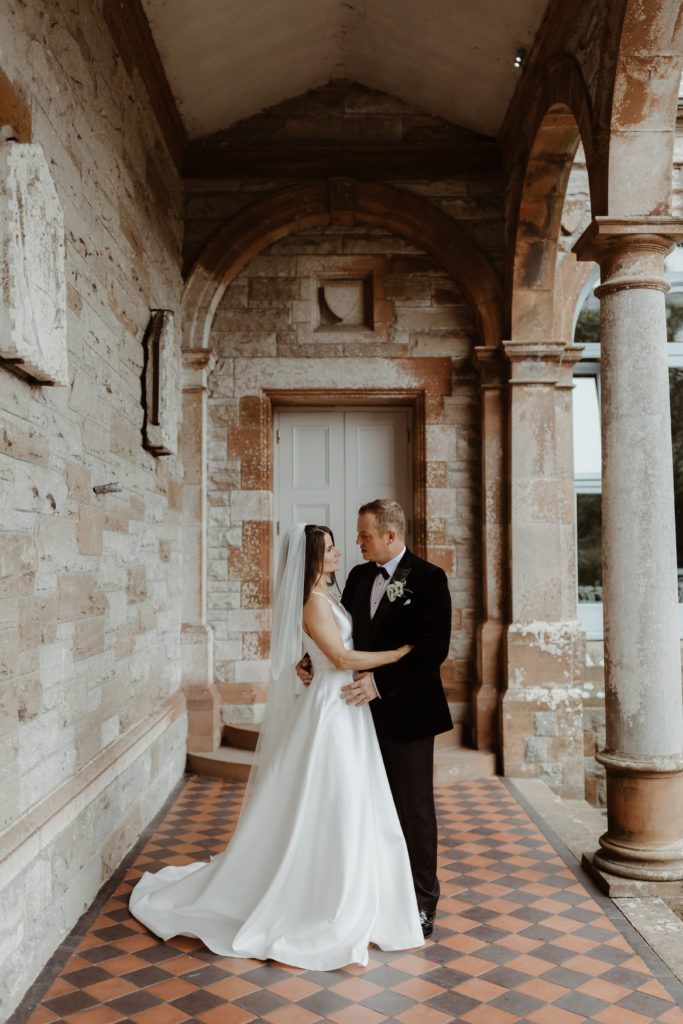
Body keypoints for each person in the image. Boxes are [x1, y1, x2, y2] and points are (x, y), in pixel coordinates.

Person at [128, 522, 423, 969]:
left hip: (345, 706)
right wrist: (398, 655)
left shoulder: (328, 595)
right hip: (331, 707)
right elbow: (341, 659)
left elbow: (330, 651)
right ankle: (320, 897)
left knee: (351, 801)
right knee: (336, 800)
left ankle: (357, 892)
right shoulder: (312, 601)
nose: (340, 552)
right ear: (312, 558)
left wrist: (317, 660)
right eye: (330, 548)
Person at [298, 499, 452, 938]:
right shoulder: (359, 576)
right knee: (367, 809)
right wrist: (310, 661)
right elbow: (340, 633)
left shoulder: (428, 579)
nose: (357, 542)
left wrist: (380, 685)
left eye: (365, 535)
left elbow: (433, 650)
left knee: (414, 809)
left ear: (390, 535)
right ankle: (376, 895)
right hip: (355, 717)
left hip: (408, 713)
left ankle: (423, 902)